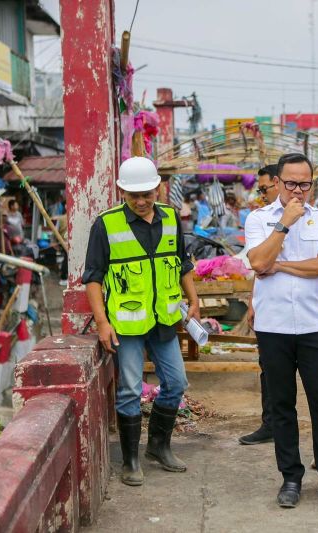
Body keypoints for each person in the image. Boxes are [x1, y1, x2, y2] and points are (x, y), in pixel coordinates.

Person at [82, 156, 200, 486]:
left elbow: (182, 262)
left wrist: (193, 299)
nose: (140, 200)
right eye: (133, 194)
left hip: (164, 319)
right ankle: (131, 460)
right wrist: (102, 322)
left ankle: (159, 446)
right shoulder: (105, 225)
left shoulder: (172, 218)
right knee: (130, 389)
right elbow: (92, 278)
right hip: (127, 325)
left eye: (147, 193)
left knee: (176, 383)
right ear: (121, 190)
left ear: (157, 189)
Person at [245, 153, 318, 508]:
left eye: (305, 184)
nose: (298, 191)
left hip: (314, 326)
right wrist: (284, 224)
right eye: (291, 184)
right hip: (273, 329)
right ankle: (291, 478)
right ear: (278, 181)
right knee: (282, 406)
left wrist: (281, 265)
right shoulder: (259, 219)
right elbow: (257, 262)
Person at [239, 163, 279, 446]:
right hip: (269, 307)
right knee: (270, 370)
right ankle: (271, 424)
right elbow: (259, 265)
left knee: (316, 376)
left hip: (306, 310)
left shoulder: (316, 218)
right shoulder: (258, 219)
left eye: (264, 188)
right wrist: (253, 303)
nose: (261, 194)